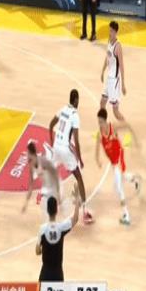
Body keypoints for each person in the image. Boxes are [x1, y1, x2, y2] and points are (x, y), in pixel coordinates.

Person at [27, 196, 80, 291]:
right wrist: (77, 203)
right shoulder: (61, 227)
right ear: (56, 209)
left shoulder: (42, 229)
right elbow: (75, 219)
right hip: (58, 272)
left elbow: (37, 251)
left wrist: (42, 250)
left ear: (47, 210)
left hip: (45, 271)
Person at [49, 89, 94, 224]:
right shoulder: (75, 116)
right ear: (76, 100)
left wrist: (52, 142)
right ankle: (85, 212)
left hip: (56, 147)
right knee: (79, 177)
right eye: (78, 100)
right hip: (64, 149)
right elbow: (76, 141)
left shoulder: (62, 109)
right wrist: (80, 159)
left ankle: (54, 202)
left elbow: (51, 125)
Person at [96, 108, 141, 225]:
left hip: (119, 158)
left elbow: (128, 125)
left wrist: (135, 141)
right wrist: (98, 160)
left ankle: (126, 215)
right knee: (120, 183)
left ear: (105, 120)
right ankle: (135, 179)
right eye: (98, 122)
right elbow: (97, 151)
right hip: (113, 163)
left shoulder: (113, 127)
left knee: (119, 188)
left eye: (101, 122)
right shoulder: (99, 135)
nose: (100, 124)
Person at [21, 140, 61, 218]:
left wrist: (58, 193)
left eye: (27, 153)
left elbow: (55, 174)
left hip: (55, 185)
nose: (26, 155)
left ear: (31, 154)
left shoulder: (43, 161)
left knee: (57, 213)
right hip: (46, 189)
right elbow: (31, 186)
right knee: (47, 214)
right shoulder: (31, 166)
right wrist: (26, 203)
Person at [100, 21, 126, 120]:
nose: (109, 32)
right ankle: (103, 125)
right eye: (109, 30)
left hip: (114, 80)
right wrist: (103, 71)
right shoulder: (109, 41)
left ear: (115, 32)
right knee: (102, 102)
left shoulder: (118, 46)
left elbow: (122, 66)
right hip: (109, 78)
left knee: (115, 111)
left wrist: (123, 84)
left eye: (111, 31)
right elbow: (107, 57)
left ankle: (126, 126)